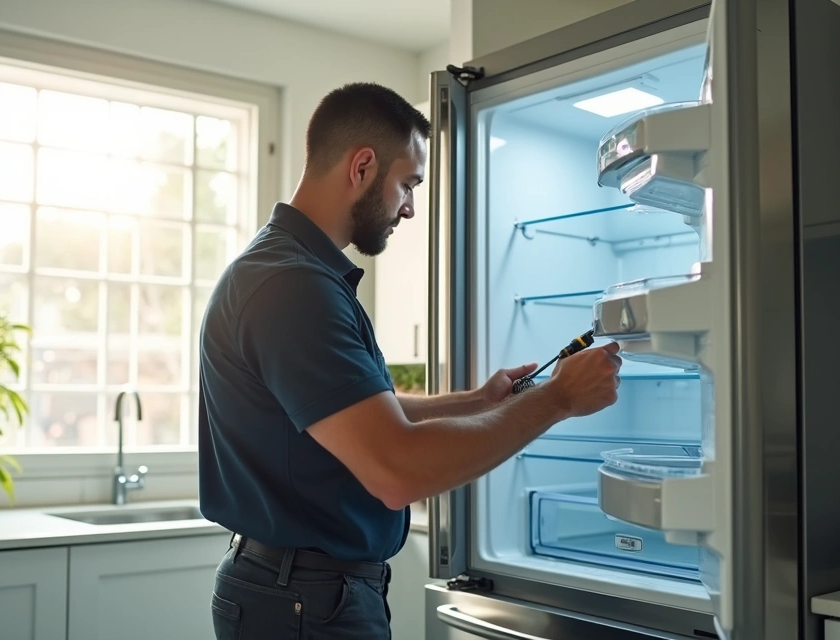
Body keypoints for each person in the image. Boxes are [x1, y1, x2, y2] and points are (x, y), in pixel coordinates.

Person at [197, 82, 623, 639]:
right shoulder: (294, 287)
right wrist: (559, 398)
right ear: (362, 167)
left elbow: (355, 412)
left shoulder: (289, 270)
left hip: (297, 592)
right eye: (408, 184)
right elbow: (396, 471)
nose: (410, 208)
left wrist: (477, 402)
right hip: (304, 599)